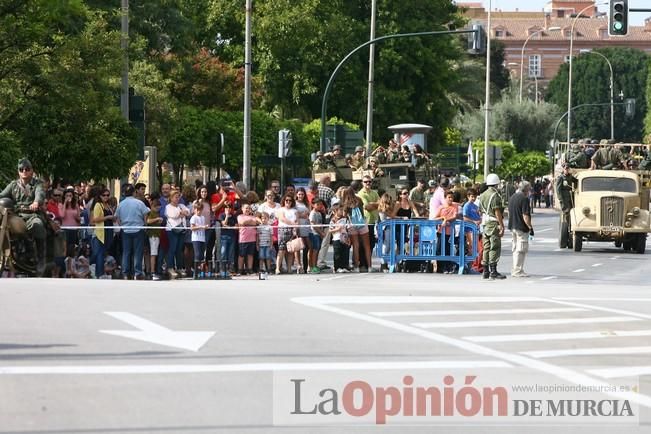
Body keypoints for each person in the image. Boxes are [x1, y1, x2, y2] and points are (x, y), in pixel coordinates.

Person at [0, 159, 47, 272]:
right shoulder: (13, 185)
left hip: (32, 215)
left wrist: (36, 202)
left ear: (31, 171)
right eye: (21, 169)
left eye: (27, 169)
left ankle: (41, 259)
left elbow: (40, 194)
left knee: (38, 225)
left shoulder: (37, 183)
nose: (24, 171)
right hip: (17, 215)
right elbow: (2, 195)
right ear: (18, 171)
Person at [115, 184, 150, 279]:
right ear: (134, 192)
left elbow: (117, 217)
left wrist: (122, 225)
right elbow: (145, 215)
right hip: (138, 229)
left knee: (126, 252)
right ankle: (137, 273)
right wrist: (145, 225)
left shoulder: (121, 204)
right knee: (137, 252)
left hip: (126, 230)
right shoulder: (139, 203)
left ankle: (125, 273)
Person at [478, 173, 506, 280]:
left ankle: (485, 270)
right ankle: (493, 270)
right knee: (495, 246)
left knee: (486, 247)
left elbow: (480, 210)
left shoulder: (482, 195)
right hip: (493, 223)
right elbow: (497, 211)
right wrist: (501, 225)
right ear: (496, 184)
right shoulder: (495, 195)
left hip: (485, 223)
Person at [508, 181, 534, 278]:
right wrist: (530, 227)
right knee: (521, 249)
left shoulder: (512, 197)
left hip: (512, 225)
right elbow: (525, 215)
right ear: (526, 189)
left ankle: (515, 268)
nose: (530, 190)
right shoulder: (524, 199)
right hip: (521, 227)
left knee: (515, 248)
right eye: (529, 188)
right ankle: (518, 270)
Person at [90, 188, 115, 278]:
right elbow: (95, 219)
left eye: (108, 195)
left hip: (108, 232)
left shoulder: (108, 205)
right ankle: (98, 273)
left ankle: (98, 272)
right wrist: (108, 217)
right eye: (104, 195)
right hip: (100, 233)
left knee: (102, 254)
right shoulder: (98, 205)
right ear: (100, 196)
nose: (106, 197)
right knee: (99, 254)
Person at [165, 190, 190, 278]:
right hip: (172, 230)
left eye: (178, 196)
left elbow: (188, 212)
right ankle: (170, 267)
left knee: (179, 250)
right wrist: (181, 213)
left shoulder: (181, 205)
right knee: (172, 248)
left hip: (181, 230)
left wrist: (182, 213)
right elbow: (173, 215)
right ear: (171, 198)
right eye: (176, 197)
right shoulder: (168, 207)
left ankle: (179, 267)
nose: (177, 198)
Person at [356, 176, 379, 272]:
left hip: (374, 221)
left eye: (369, 181)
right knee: (363, 245)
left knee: (372, 244)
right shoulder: (361, 193)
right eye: (366, 182)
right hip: (365, 222)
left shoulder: (374, 192)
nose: (368, 183)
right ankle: (362, 264)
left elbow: (381, 203)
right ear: (362, 183)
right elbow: (367, 207)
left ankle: (367, 263)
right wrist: (375, 204)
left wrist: (372, 204)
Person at [276, 194, 298, 274]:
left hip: (292, 231)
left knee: (290, 251)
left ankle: (289, 268)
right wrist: (292, 223)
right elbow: (282, 218)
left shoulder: (295, 211)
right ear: (284, 201)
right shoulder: (281, 209)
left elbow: (297, 221)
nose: (288, 202)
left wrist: (295, 228)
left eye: (290, 200)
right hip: (283, 230)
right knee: (281, 250)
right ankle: (277, 268)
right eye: (286, 200)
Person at [190, 200, 209, 279]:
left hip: (202, 238)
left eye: (200, 210)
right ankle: (195, 271)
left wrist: (205, 227)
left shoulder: (203, 217)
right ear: (194, 210)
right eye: (197, 210)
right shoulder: (193, 217)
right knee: (197, 254)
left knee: (201, 255)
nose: (199, 211)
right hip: (196, 238)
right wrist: (201, 227)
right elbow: (192, 228)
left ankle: (201, 271)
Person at [237, 203, 258, 275]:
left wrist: (247, 223)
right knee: (241, 255)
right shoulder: (240, 216)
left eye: (249, 208)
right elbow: (242, 222)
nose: (247, 209)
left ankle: (250, 269)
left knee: (250, 255)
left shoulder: (253, 216)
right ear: (242, 209)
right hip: (243, 239)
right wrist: (250, 222)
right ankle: (240, 269)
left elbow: (256, 223)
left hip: (252, 239)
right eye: (246, 208)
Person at [329, 205, 351, 273]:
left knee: (345, 252)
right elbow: (330, 230)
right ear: (335, 211)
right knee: (337, 253)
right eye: (340, 210)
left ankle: (345, 266)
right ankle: (337, 267)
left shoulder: (345, 219)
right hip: (336, 239)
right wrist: (337, 229)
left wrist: (348, 228)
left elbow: (348, 227)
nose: (342, 211)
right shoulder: (333, 220)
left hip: (344, 238)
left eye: (342, 210)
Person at [146, 198, 164, 280]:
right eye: (156, 208)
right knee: (153, 254)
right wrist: (157, 219)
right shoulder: (151, 213)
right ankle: (152, 271)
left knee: (154, 253)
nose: (158, 209)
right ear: (152, 206)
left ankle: (152, 270)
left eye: (159, 208)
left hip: (157, 235)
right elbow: (148, 221)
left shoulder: (157, 213)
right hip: (153, 235)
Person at [308, 199, 326, 274]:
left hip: (319, 234)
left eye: (321, 204)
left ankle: (315, 265)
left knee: (317, 249)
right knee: (314, 250)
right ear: (313, 205)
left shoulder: (319, 213)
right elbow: (313, 225)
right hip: (314, 233)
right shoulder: (312, 213)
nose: (319, 206)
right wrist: (321, 232)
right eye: (317, 204)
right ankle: (313, 266)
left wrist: (321, 233)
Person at [462, 188, 481, 256]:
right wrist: (474, 222)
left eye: (475, 197)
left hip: (476, 229)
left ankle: (474, 263)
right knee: (472, 247)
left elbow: (478, 216)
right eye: (472, 196)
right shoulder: (466, 206)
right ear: (468, 196)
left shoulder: (475, 206)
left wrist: (480, 220)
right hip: (469, 230)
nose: (473, 198)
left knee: (475, 247)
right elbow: (464, 218)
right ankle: (471, 264)